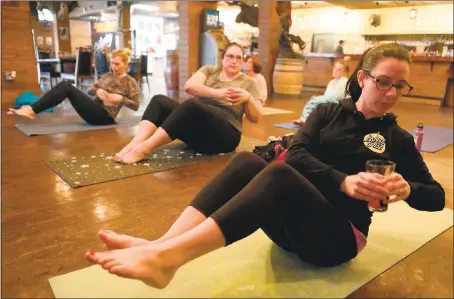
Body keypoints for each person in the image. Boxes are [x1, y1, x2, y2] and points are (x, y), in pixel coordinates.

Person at [85, 43, 444, 289]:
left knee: (278, 175)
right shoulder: (328, 112)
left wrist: (409, 188)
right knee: (247, 162)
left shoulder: (397, 138)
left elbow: (437, 197)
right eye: (384, 82)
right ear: (363, 78)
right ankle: (160, 246)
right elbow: (299, 153)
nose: (392, 93)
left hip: (336, 240)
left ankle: (168, 259)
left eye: (400, 86)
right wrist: (343, 181)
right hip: (290, 228)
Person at [114, 42, 263, 164]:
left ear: (242, 62)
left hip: (225, 137)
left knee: (191, 106)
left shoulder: (248, 82)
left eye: (238, 57)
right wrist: (219, 93)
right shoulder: (210, 71)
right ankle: (135, 143)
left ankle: (144, 149)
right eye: (230, 56)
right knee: (159, 100)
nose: (234, 60)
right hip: (199, 131)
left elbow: (256, 117)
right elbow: (190, 86)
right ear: (223, 58)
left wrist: (248, 98)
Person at [7, 49, 139, 126]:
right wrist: (97, 90)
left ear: (126, 64)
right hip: (94, 110)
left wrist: (121, 98)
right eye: (112, 63)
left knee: (66, 86)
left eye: (117, 64)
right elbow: (90, 90)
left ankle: (32, 109)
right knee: (65, 86)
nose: (114, 67)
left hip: (105, 117)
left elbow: (136, 105)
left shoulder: (130, 82)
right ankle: (32, 109)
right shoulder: (107, 75)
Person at [293, 59, 349, 126]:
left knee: (315, 101)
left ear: (345, 72)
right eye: (335, 68)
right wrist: (319, 98)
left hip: (338, 106)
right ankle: (307, 119)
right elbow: (327, 96)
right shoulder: (331, 82)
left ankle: (305, 119)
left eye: (339, 70)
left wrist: (319, 99)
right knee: (315, 101)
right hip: (330, 103)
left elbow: (336, 97)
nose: (335, 71)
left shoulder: (344, 82)